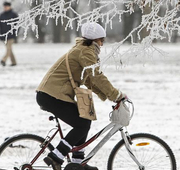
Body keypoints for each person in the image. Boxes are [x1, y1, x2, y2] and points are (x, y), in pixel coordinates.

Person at [36, 22, 127, 170]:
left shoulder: (83, 50)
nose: (102, 45)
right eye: (101, 40)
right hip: (51, 95)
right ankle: (56, 157)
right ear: (94, 40)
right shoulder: (85, 52)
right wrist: (116, 95)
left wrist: (109, 96)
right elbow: (97, 76)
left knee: (84, 120)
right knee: (82, 124)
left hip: (52, 94)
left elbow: (89, 80)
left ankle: (77, 164)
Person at [0, 2, 18, 66]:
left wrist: (15, 33)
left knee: (8, 48)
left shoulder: (14, 15)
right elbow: (0, 26)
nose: (5, 8)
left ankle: (3, 60)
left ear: (10, 7)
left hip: (11, 35)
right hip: (4, 35)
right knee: (9, 49)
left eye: (6, 6)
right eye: (4, 7)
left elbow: (17, 25)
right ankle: (14, 62)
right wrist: (1, 35)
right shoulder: (2, 15)